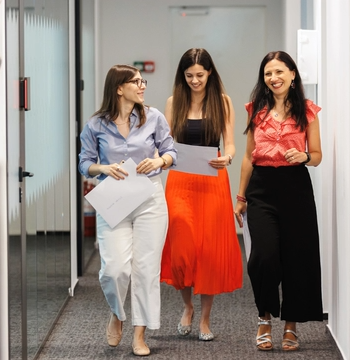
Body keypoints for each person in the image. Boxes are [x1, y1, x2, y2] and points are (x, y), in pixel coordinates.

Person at [78, 64, 177, 357]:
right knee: (114, 269)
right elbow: (84, 162)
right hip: (114, 200)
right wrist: (102, 167)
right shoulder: (96, 124)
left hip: (149, 199)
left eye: (142, 80)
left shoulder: (154, 117)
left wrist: (160, 162)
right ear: (119, 88)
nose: (142, 85)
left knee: (146, 270)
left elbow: (172, 151)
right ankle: (118, 313)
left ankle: (139, 333)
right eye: (136, 81)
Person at [234, 51, 323, 351]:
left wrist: (305, 156)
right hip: (261, 188)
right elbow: (248, 156)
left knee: (297, 258)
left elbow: (318, 156)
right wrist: (240, 197)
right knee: (264, 256)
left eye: (279, 72)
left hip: (296, 187)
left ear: (293, 74)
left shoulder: (307, 111)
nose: (274, 78)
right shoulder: (255, 110)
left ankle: (291, 326)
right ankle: (264, 317)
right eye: (268, 73)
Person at [160, 48, 243, 341]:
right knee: (181, 247)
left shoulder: (223, 102)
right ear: (182, 76)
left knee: (208, 250)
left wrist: (228, 158)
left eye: (200, 75)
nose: (195, 80)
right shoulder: (174, 102)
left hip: (212, 180)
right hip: (180, 180)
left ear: (210, 73)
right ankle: (187, 307)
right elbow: (166, 144)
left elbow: (230, 144)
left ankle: (205, 318)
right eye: (189, 75)